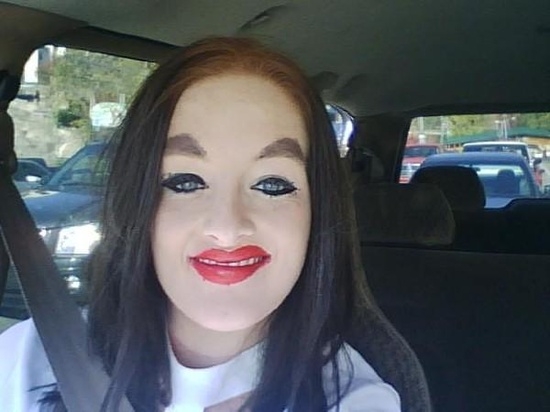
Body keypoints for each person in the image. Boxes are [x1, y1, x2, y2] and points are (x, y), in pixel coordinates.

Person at [0, 37, 400, 411]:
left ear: (318, 209)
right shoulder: (27, 360)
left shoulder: (357, 400)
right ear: (137, 201)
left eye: (272, 184)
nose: (227, 228)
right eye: (185, 182)